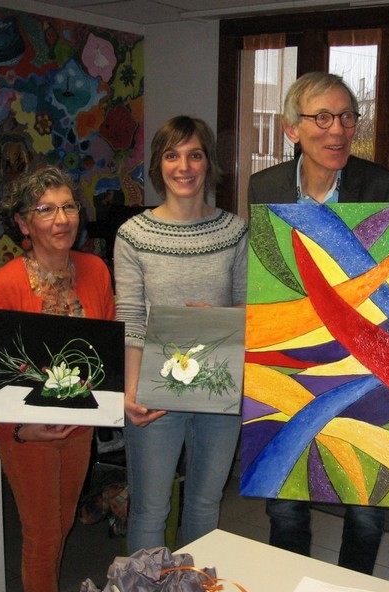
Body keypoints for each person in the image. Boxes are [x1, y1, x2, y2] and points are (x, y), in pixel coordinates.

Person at [247, 71, 389, 574]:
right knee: (284, 500)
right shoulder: (264, 186)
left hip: (360, 354)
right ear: (291, 128)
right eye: (322, 117)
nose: (337, 130)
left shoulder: (381, 185)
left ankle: (352, 588)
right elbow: (263, 272)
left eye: (346, 117)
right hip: (290, 353)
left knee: (365, 506)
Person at [0, 166, 115, 592]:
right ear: (23, 223)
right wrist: (19, 428)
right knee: (42, 536)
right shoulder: (0, 288)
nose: (61, 219)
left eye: (68, 207)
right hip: (26, 433)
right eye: (46, 209)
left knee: (62, 524)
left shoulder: (96, 271)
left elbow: (107, 346)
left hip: (79, 426)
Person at [114, 115, 248, 553]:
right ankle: (146, 585)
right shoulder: (133, 235)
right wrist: (131, 392)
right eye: (172, 156)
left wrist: (220, 316)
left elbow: (253, 311)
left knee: (205, 505)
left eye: (195, 155)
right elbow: (130, 317)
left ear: (208, 163)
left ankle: (193, 584)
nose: (184, 167)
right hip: (154, 393)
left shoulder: (235, 231)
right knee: (150, 510)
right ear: (159, 164)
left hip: (219, 390)